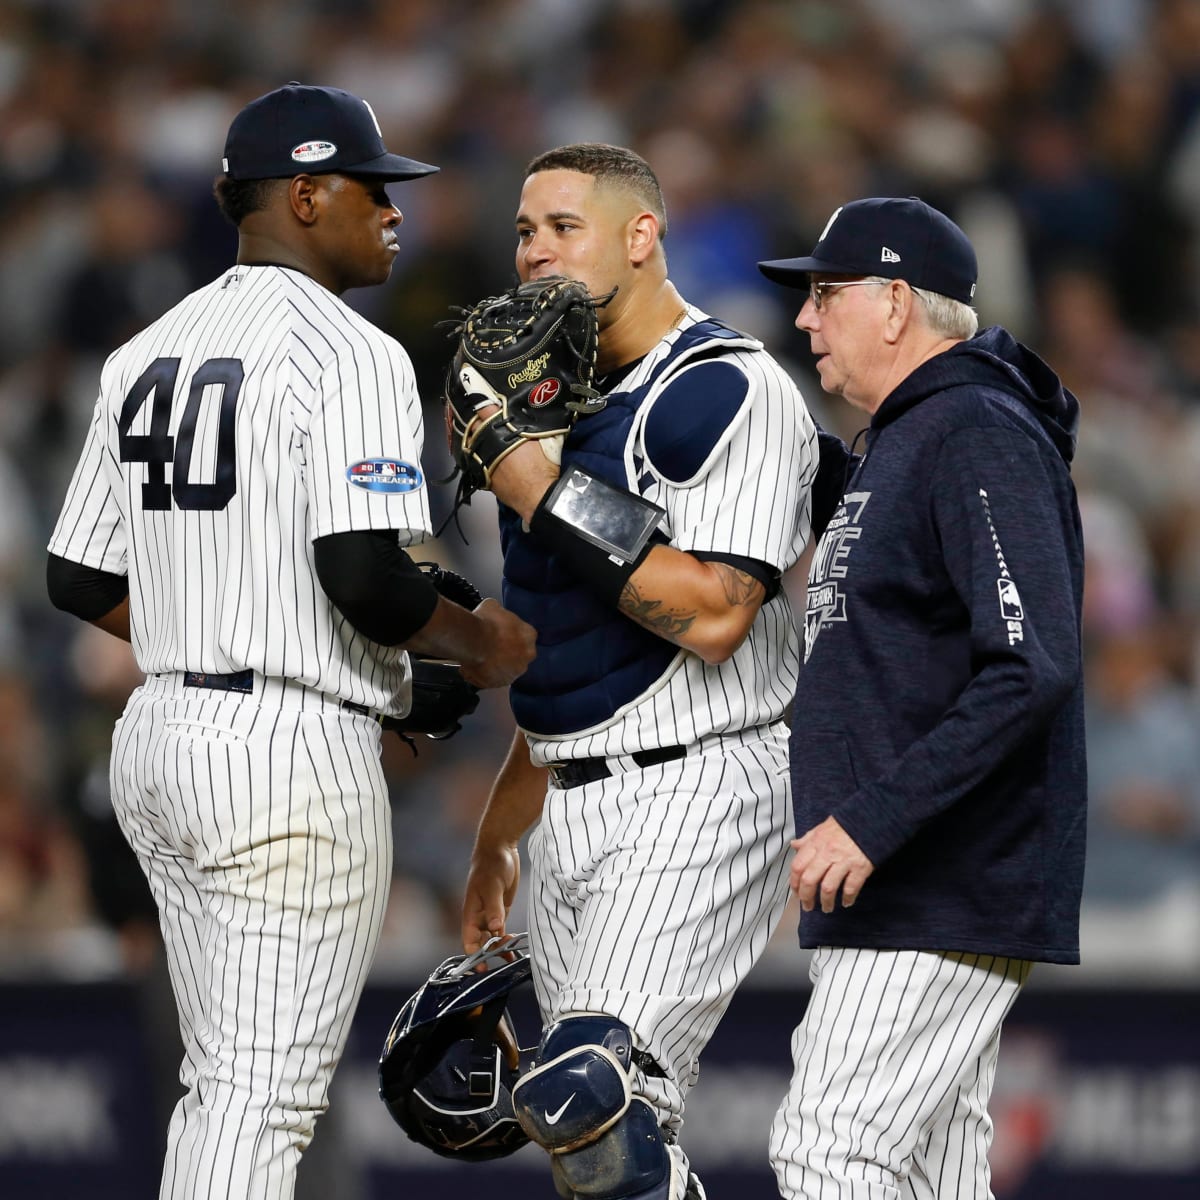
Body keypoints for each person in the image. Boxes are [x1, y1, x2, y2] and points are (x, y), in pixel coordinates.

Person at [44, 82, 536, 1200]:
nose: (395, 211)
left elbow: (78, 575)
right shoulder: (347, 351)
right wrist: (476, 643)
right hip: (282, 764)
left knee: (222, 1087)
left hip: (163, 741)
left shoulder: (145, 350)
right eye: (373, 189)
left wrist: (370, 673)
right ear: (305, 195)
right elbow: (364, 576)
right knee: (259, 1100)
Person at [459, 143, 819, 1200]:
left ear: (641, 236)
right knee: (600, 1147)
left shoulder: (726, 386)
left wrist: (532, 488)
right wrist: (499, 833)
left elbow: (712, 615)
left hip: (701, 781)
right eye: (524, 231)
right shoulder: (546, 407)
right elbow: (568, 652)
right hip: (576, 795)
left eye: (564, 227)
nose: (534, 254)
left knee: (590, 1091)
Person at [756, 196, 1087, 1200]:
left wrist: (870, 821)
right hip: (912, 881)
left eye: (826, 296)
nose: (806, 319)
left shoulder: (974, 426)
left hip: (936, 875)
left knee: (830, 1153)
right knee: (936, 1178)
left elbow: (1031, 661)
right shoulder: (904, 438)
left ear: (896, 302)